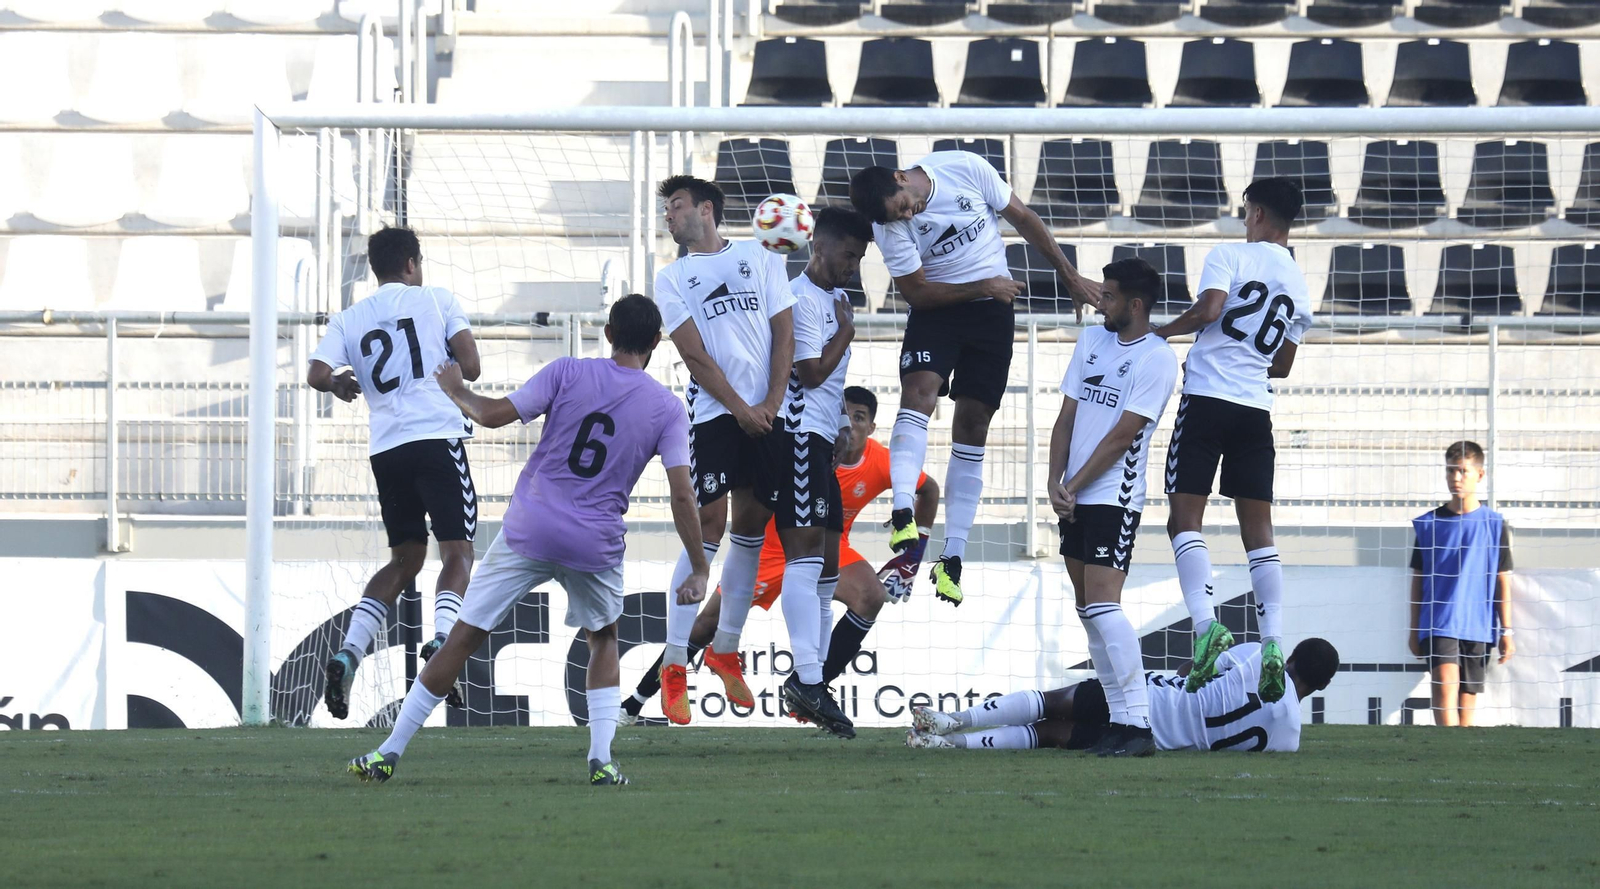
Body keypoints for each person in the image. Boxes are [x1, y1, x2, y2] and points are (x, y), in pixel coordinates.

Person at [346, 295, 710, 787]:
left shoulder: (567, 372)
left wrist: (456, 391)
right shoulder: (667, 408)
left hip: (530, 528)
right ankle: (600, 760)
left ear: (607, 334)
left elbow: (492, 414)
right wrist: (698, 565)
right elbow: (683, 497)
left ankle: (388, 752)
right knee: (604, 638)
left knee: (461, 639)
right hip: (594, 542)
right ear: (657, 342)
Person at [849, 150, 1098, 608]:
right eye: (897, 216)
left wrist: (1068, 274)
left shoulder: (963, 167)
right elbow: (918, 292)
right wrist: (983, 285)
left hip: (991, 315)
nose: (907, 216)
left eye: (904, 205)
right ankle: (903, 508)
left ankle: (953, 557)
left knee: (974, 427)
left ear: (903, 178)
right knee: (918, 396)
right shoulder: (889, 226)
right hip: (938, 311)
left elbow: (1023, 217)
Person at [620, 386, 941, 724]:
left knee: (871, 596)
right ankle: (635, 701)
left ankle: (813, 691)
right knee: (705, 627)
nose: (853, 425)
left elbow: (929, 490)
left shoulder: (880, 460)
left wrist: (911, 558)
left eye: (860, 418)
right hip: (770, 549)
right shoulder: (806, 440)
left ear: (872, 427)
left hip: (825, 551)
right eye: (847, 415)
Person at [307, 226, 479, 720]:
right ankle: (444, 643)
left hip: (387, 449)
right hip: (436, 436)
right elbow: (471, 364)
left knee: (405, 561)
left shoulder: (349, 317)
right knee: (458, 553)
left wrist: (341, 384)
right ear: (410, 264)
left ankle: (349, 654)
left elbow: (316, 374)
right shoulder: (437, 299)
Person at [1153, 177, 1313, 703]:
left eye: (1247, 211)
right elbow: (1284, 365)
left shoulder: (1230, 254)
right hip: (1256, 410)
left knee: (1183, 518)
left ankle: (1205, 630)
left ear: (1260, 212)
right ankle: (1271, 644)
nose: (1244, 220)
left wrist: (1157, 334)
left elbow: (1209, 309)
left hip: (1207, 400)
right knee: (1259, 532)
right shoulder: (1298, 282)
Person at [652, 175, 796, 725]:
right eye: (667, 209)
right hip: (717, 415)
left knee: (752, 530)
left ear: (706, 210)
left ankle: (725, 648)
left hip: (767, 414)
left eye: (677, 206)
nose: (669, 216)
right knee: (708, 528)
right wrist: (740, 406)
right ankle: (673, 664)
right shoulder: (673, 277)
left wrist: (773, 402)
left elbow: (784, 333)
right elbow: (693, 355)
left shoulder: (762, 259)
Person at [1047, 257, 1179, 757]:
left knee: (1104, 605)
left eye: (1108, 296)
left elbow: (1124, 436)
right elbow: (1066, 417)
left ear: (1135, 305)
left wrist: (1075, 484)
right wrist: (1054, 480)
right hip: (1075, 494)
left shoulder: (1158, 358)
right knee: (1088, 610)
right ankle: (1114, 718)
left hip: (1113, 497)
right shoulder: (1091, 342)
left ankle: (1138, 724)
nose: (1098, 301)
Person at [905, 638, 1340, 754]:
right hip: (1153, 738)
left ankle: (956, 720)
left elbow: (1191, 671)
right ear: (1319, 688)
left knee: (1050, 701)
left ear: (1290, 658)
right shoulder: (1290, 740)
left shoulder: (1256, 660)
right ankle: (949, 743)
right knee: (1051, 735)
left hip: (1149, 696)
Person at [1410, 440, 1515, 727]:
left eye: (1463, 471)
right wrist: (1414, 628)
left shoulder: (1494, 525)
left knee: (1467, 701)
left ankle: (1461, 755)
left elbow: (1501, 580)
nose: (1456, 478)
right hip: (1439, 622)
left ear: (1479, 475)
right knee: (1445, 685)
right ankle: (1445, 750)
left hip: (1478, 624)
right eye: (1450, 471)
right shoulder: (1429, 524)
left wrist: (1507, 630)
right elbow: (1418, 579)